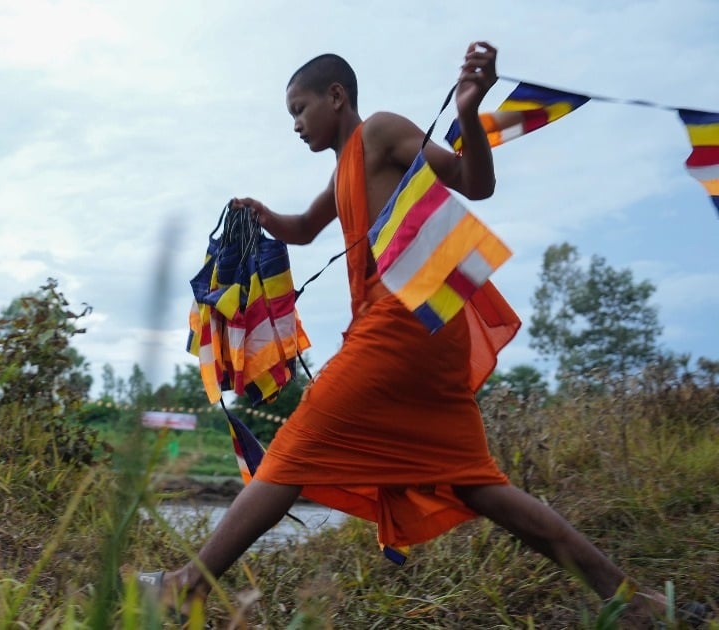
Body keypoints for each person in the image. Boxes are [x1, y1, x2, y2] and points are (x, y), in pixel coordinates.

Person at [140, 42, 684, 626]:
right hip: (425, 332)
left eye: (299, 110)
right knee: (479, 485)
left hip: (401, 324)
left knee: (293, 450)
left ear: (336, 96)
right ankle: (632, 601)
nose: (295, 125)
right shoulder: (346, 161)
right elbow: (302, 228)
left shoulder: (380, 132)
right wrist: (262, 216)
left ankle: (186, 586)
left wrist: (470, 115)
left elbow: (473, 184)